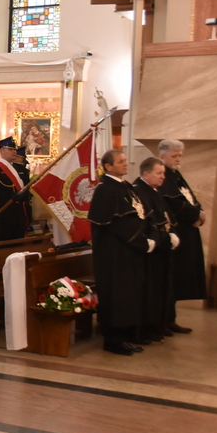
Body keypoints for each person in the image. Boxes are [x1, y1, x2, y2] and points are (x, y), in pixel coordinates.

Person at [87, 149, 159, 356]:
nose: (125, 164)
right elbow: (120, 224)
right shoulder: (105, 190)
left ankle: (125, 335)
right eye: (120, 162)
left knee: (129, 294)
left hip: (130, 252)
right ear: (108, 166)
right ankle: (113, 339)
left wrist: (151, 236)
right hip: (115, 254)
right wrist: (143, 242)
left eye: (125, 161)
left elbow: (141, 213)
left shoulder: (125, 187)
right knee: (117, 295)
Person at [158, 139, 204, 334]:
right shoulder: (163, 177)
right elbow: (174, 204)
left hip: (188, 231)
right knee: (172, 277)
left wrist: (199, 213)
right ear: (162, 156)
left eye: (180, 156)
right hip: (175, 233)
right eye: (174, 156)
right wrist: (195, 215)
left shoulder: (176, 175)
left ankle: (171, 319)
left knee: (179, 278)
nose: (178, 159)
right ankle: (164, 319)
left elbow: (190, 197)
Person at [132, 157, 179, 343]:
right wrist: (163, 238)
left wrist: (172, 233)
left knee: (161, 290)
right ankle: (148, 329)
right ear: (146, 174)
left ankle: (160, 325)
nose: (162, 178)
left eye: (163, 174)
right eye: (159, 173)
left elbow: (166, 217)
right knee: (150, 293)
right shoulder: (139, 192)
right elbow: (147, 222)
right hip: (151, 251)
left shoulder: (154, 191)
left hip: (162, 248)